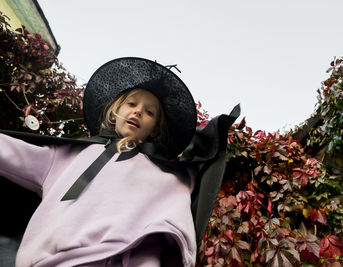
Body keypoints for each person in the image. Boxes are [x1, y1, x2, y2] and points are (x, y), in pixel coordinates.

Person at [0, 57, 239, 267]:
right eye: (132, 104)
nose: (137, 112)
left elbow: (162, 231)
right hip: (48, 259)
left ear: (156, 129)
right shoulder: (69, 155)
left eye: (149, 112)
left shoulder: (166, 177)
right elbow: (11, 153)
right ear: (116, 111)